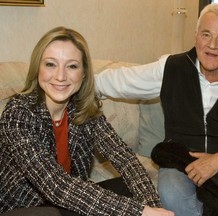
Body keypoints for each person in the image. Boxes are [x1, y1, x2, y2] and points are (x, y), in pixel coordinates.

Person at [94, 3, 218, 216]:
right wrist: (75, 81)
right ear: (196, 37)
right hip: (182, 163)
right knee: (170, 188)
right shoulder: (171, 68)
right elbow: (120, 81)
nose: (212, 45)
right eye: (206, 34)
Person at [0, 26, 175, 216]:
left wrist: (153, 206)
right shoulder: (18, 113)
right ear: (37, 69)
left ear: (83, 74)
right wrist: (141, 212)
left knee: (131, 187)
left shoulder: (84, 107)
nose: (60, 76)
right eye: (50, 64)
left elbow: (124, 158)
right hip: (23, 208)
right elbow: (56, 186)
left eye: (72, 66)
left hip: (68, 201)